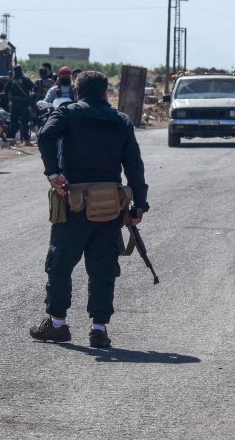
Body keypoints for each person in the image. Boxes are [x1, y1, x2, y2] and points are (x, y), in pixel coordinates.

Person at [28, 70, 149, 348]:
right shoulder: (120, 121)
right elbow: (134, 167)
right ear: (105, 92)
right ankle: (99, 329)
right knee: (103, 268)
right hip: (109, 206)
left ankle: (57, 324)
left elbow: (45, 135)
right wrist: (139, 205)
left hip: (73, 203)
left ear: (78, 92)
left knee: (60, 265)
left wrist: (53, 173)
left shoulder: (68, 113)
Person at [6, 65, 35, 146]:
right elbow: (33, 88)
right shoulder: (25, 80)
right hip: (24, 104)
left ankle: (11, 140)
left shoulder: (11, 81)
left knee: (14, 122)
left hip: (15, 104)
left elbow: (5, 90)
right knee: (24, 122)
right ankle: (26, 140)